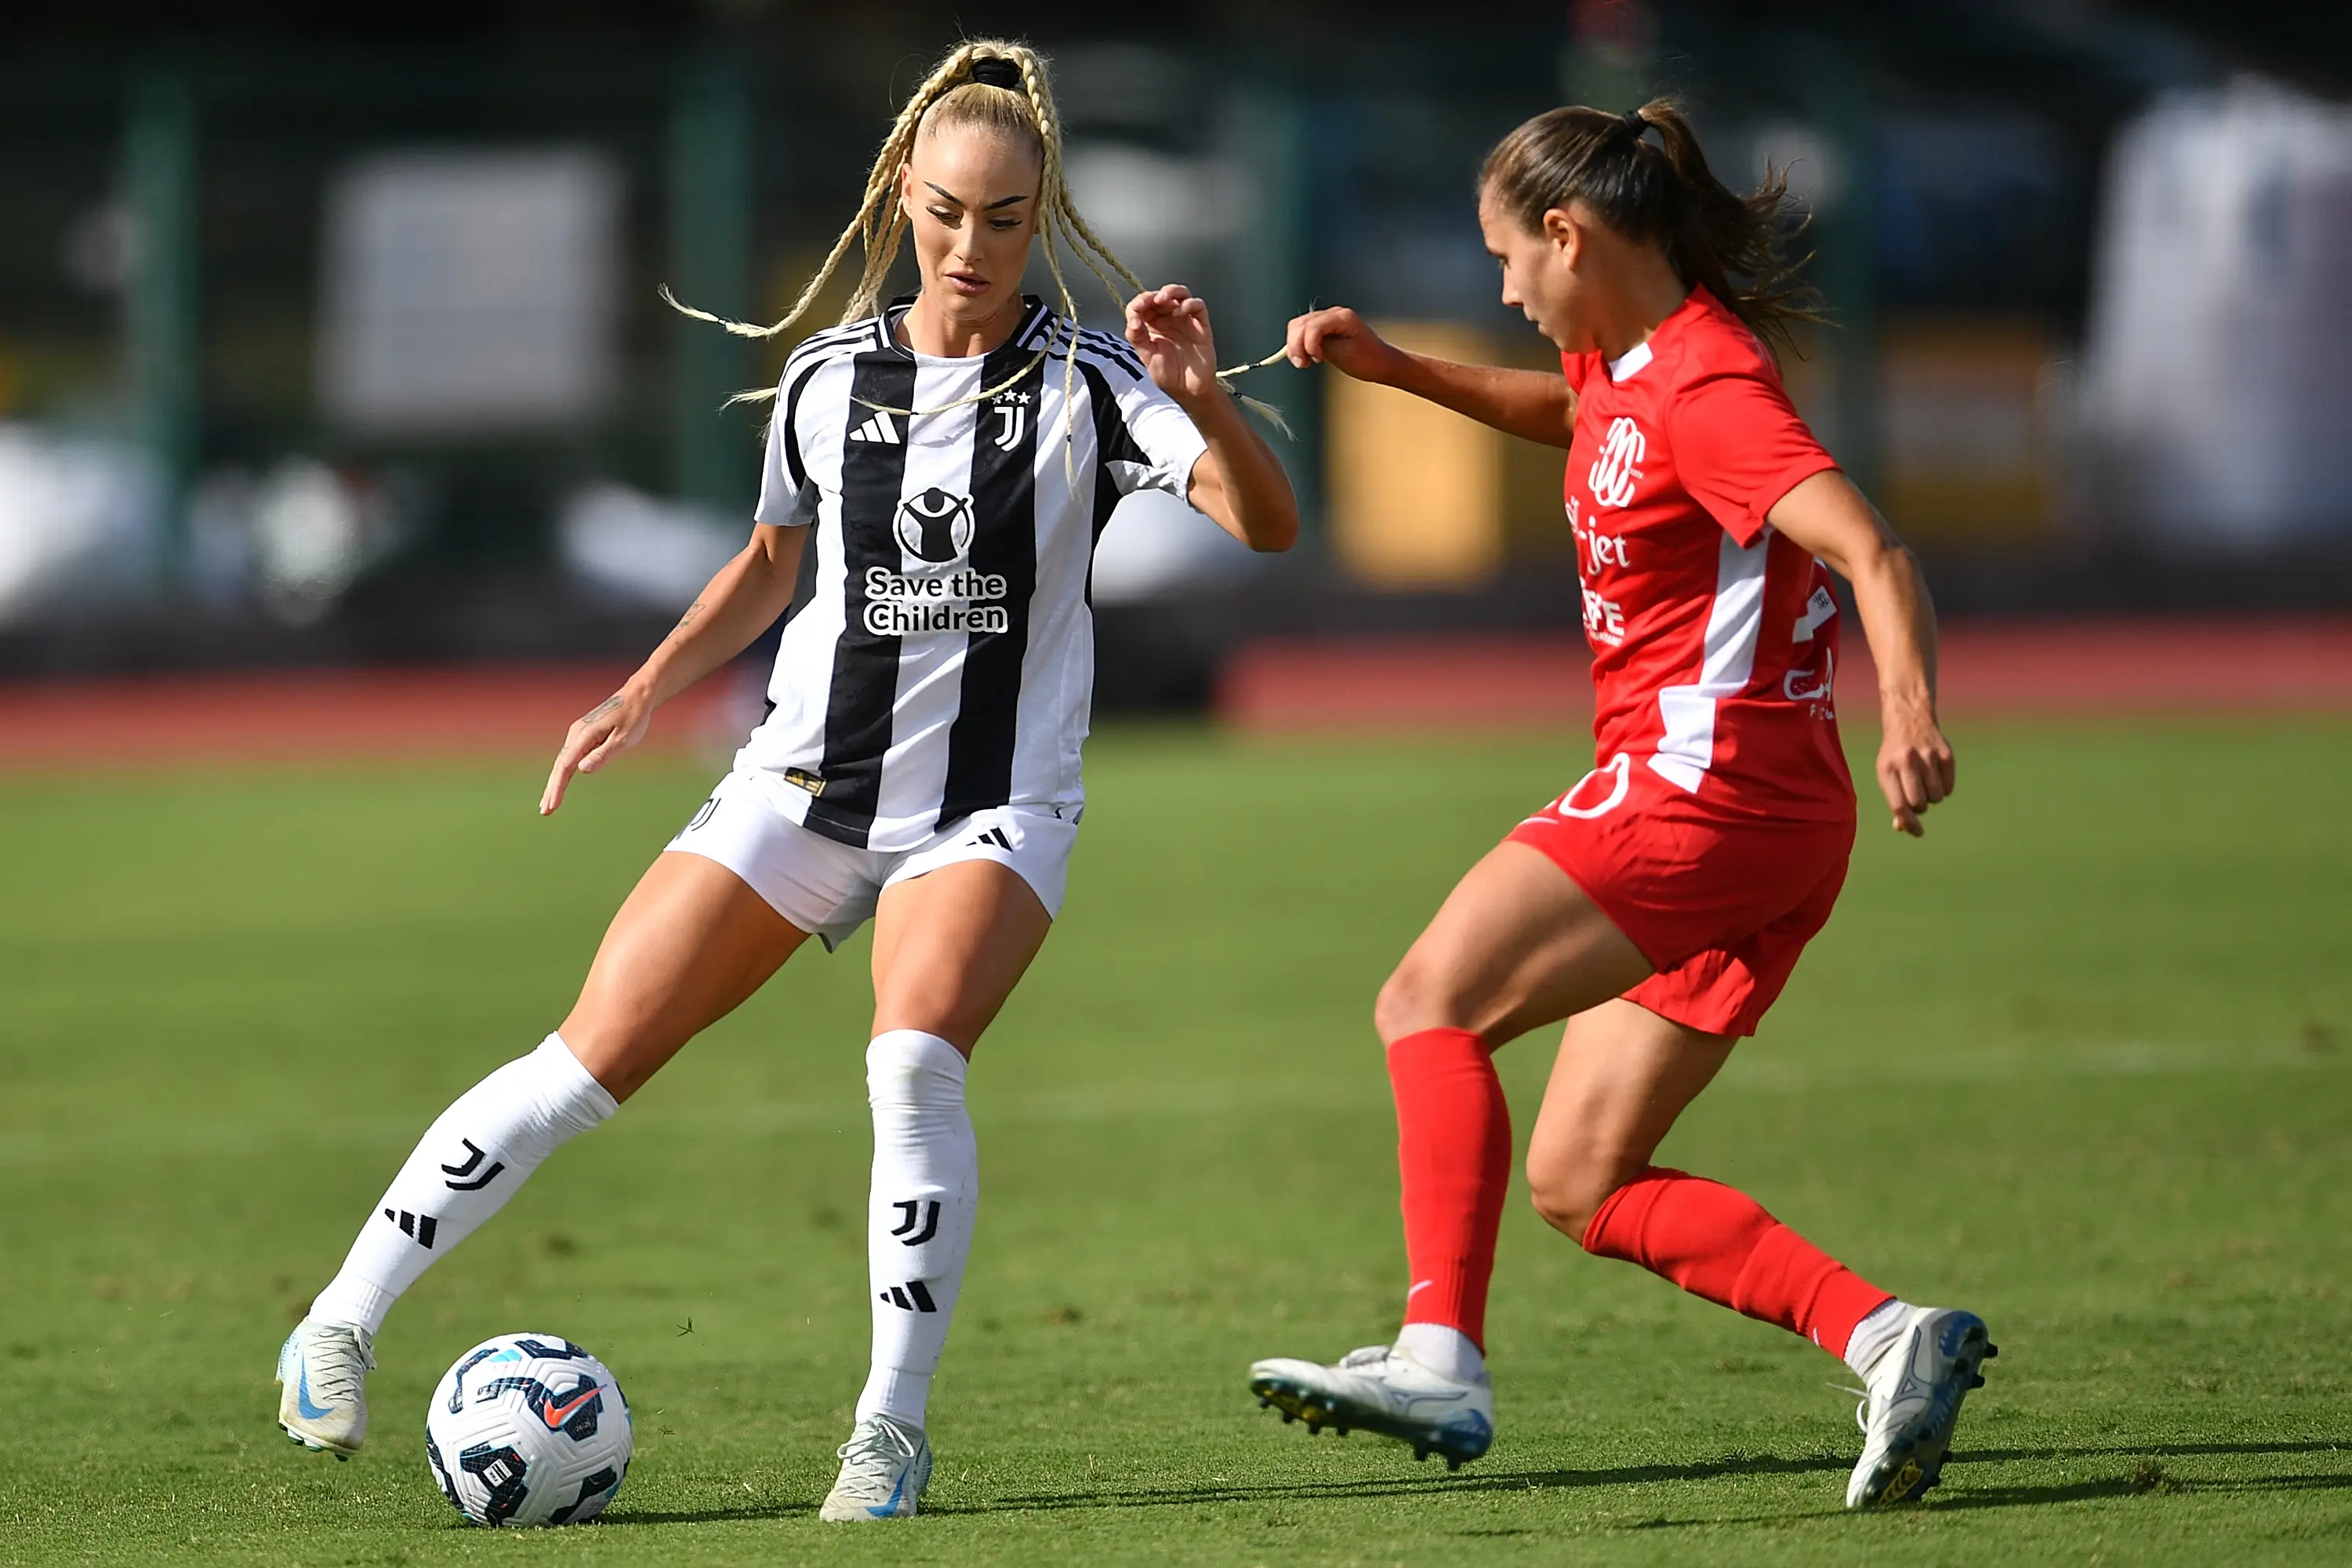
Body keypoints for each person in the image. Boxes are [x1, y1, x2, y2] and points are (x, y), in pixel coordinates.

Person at [274, 38, 1298, 1523]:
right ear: (901, 196)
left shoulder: (1093, 384)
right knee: (582, 1063)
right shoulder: (827, 376)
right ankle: (338, 1325)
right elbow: (771, 562)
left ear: (1042, 220)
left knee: (909, 1062)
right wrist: (638, 691)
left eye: (1006, 219)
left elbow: (1262, 524)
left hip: (989, 806)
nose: (971, 245)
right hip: (804, 785)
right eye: (947, 210)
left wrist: (1209, 402)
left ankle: (886, 1428)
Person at [1246, 100, 1990, 1510]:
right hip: (1766, 818)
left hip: (1701, 789)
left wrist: (1911, 711)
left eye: (1507, 258)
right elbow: (1582, 415)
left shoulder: (1711, 390)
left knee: (1429, 1002)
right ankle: (1891, 1338)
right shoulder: (1631, 357)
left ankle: (1438, 1358)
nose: (1504, 289)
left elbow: (1871, 548)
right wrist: (1395, 368)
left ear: (1570, 236)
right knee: (1584, 1175)